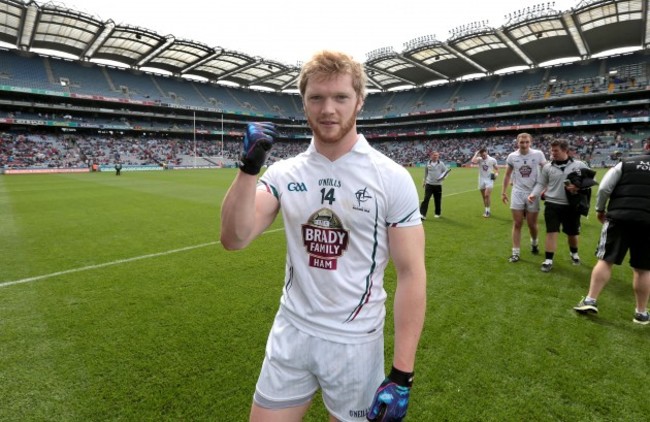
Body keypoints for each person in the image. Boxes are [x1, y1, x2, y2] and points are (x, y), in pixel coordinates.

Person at [220, 50, 427, 422]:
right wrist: (249, 168)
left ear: (359, 101)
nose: (328, 109)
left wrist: (402, 374)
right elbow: (235, 238)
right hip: (291, 331)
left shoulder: (390, 177)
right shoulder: (284, 173)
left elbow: (412, 274)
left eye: (340, 97)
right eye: (316, 98)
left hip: (355, 343)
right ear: (304, 102)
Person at [574, 137, 650, 325]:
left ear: (647, 146)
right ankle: (641, 312)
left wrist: (600, 209)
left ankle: (591, 300)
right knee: (643, 269)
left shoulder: (625, 163)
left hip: (620, 217)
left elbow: (605, 188)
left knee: (606, 260)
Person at [527, 139, 590, 272]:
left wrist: (578, 187)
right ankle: (548, 260)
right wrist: (534, 194)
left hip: (571, 206)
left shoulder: (579, 165)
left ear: (565, 151)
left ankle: (574, 254)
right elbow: (541, 184)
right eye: (552, 150)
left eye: (556, 150)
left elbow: (590, 181)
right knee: (551, 232)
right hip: (552, 204)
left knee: (572, 234)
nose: (552, 153)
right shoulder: (547, 167)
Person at [501, 133, 547, 262]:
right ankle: (515, 252)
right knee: (517, 223)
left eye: (527, 142)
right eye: (522, 142)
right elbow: (507, 175)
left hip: (533, 193)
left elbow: (547, 170)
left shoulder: (538, 154)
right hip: (517, 192)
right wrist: (503, 192)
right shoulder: (512, 156)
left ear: (531, 142)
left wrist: (546, 187)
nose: (524, 144)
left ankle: (534, 243)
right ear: (517, 143)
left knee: (532, 224)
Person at [419, 151, 449, 219]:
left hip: (438, 185)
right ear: (431, 156)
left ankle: (437, 213)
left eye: (437, 155)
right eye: (434, 155)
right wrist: (424, 181)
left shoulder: (441, 164)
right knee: (426, 199)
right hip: (429, 184)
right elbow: (426, 173)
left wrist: (443, 178)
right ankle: (422, 214)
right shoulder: (428, 163)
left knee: (437, 200)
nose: (435, 156)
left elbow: (446, 171)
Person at [471, 147, 499, 218]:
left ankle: (487, 212)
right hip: (481, 179)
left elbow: (497, 169)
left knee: (487, 195)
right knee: (484, 197)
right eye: (481, 155)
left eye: (484, 154)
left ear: (487, 152)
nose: (483, 156)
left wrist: (496, 174)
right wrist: (476, 154)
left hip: (489, 179)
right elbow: (473, 161)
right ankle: (486, 209)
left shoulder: (492, 160)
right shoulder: (479, 159)